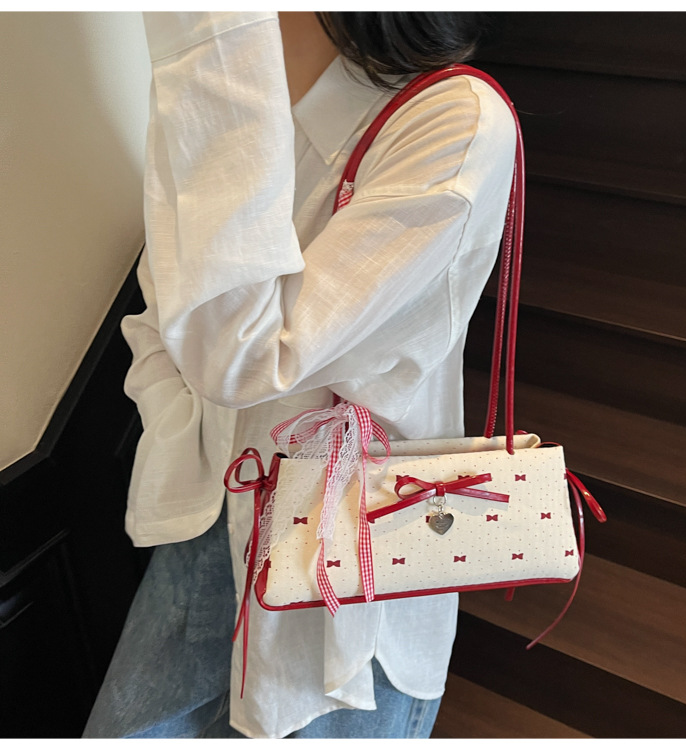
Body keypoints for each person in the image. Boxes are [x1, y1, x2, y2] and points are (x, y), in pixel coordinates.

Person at [83, 11, 516, 739]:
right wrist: (174, 419)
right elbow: (161, 310)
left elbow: (245, 357)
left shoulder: (453, 118)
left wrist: (216, 48)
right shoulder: (221, 91)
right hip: (208, 521)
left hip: (352, 560)